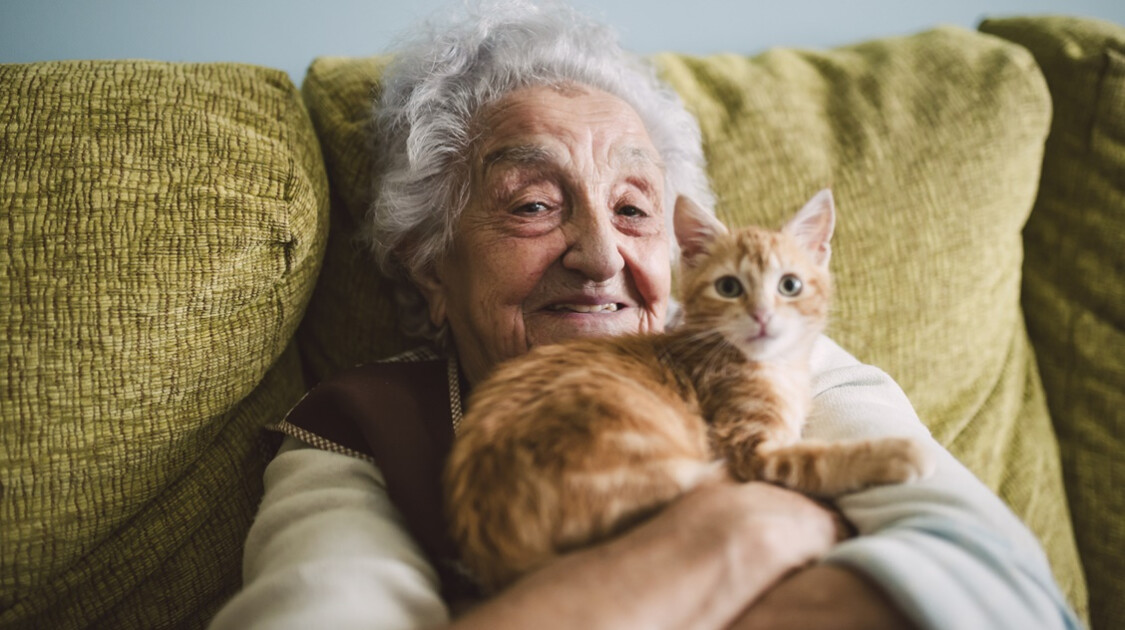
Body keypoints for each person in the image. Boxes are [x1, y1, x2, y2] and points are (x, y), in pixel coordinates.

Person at [209, 1, 1080, 628]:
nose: (600, 257)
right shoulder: (351, 430)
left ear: (684, 253)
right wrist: (742, 528)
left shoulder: (777, 354)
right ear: (430, 267)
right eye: (532, 205)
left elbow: (1001, 589)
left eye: (634, 211)